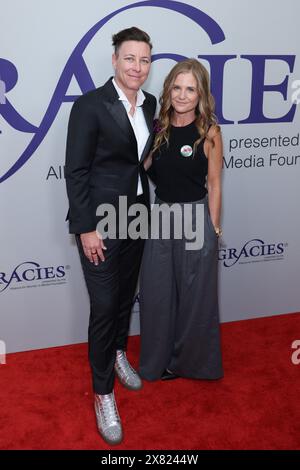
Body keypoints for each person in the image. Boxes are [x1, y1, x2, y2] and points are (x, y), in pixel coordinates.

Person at [65, 27, 156, 445]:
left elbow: (142, 161)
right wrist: (86, 228)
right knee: (103, 306)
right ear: (115, 60)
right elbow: (77, 171)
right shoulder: (90, 105)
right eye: (130, 58)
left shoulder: (150, 103)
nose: (137, 67)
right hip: (100, 222)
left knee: (123, 295)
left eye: (145, 60)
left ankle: (119, 353)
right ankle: (103, 394)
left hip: (136, 215)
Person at [139, 58, 223, 382]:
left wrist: (214, 230)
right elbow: (141, 165)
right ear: (168, 89)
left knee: (195, 298)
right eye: (177, 87)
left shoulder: (210, 132)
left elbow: (214, 184)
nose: (183, 95)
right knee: (157, 293)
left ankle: (189, 363)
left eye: (191, 89)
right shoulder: (157, 127)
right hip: (161, 217)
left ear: (201, 94)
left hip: (195, 219)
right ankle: (156, 361)